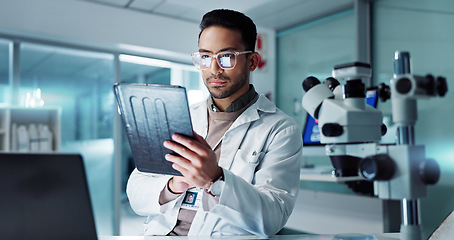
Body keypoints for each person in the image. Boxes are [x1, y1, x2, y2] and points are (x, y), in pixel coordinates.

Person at [126, 9, 303, 237]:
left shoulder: (280, 128)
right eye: (205, 57)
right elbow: (136, 191)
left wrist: (215, 179)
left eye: (226, 57)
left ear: (252, 61)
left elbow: (272, 218)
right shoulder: (182, 116)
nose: (214, 68)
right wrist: (172, 186)